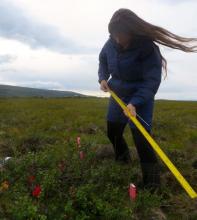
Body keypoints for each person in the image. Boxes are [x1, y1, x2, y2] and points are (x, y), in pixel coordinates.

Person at [98, 8, 197, 191]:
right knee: (113, 131)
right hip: (118, 93)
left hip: (141, 97)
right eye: (115, 35)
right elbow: (103, 59)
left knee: (142, 139)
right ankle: (123, 159)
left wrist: (135, 102)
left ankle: (152, 185)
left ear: (132, 31)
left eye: (122, 35)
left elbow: (151, 81)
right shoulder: (110, 43)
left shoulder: (147, 47)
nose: (118, 40)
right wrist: (103, 77)